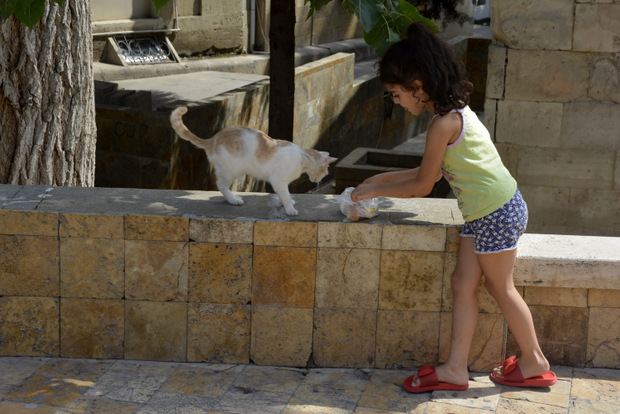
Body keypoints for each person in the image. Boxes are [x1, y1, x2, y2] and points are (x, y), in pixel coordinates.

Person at [351, 22, 557, 393]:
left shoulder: (442, 124)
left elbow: (422, 186)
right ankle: (455, 369)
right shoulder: (453, 113)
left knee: (501, 287)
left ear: (417, 87)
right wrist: (375, 182)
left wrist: (374, 191)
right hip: (485, 212)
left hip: (496, 212)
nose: (396, 103)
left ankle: (535, 361)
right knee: (462, 283)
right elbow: (426, 171)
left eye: (397, 95)